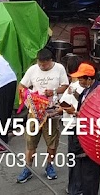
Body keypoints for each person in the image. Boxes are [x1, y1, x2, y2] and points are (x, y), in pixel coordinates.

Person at [17, 46, 69, 183]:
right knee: (30, 142)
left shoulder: (59, 68)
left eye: (44, 65)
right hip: (34, 113)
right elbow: (22, 86)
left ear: (50, 61)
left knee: (52, 143)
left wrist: (54, 91)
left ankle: (49, 165)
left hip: (51, 112)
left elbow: (65, 85)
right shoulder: (32, 70)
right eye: (40, 64)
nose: (42, 67)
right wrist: (29, 97)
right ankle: (28, 168)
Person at [59, 63, 100, 195]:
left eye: (81, 79)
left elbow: (94, 115)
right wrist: (76, 94)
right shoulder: (86, 89)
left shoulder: (97, 92)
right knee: (79, 164)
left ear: (89, 79)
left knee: (89, 171)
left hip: (91, 136)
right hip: (81, 131)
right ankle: (78, 188)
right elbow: (84, 101)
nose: (79, 81)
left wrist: (75, 112)